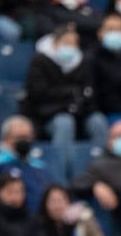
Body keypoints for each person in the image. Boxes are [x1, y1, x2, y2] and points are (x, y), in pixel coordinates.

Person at [23, 24, 109, 152]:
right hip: (49, 115)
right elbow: (38, 94)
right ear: (55, 43)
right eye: (67, 43)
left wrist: (80, 102)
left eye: (74, 43)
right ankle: (62, 166)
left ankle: (101, 164)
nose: (71, 47)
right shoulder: (40, 62)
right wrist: (70, 94)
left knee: (98, 121)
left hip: (79, 112)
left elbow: (89, 92)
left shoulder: (83, 63)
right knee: (65, 122)